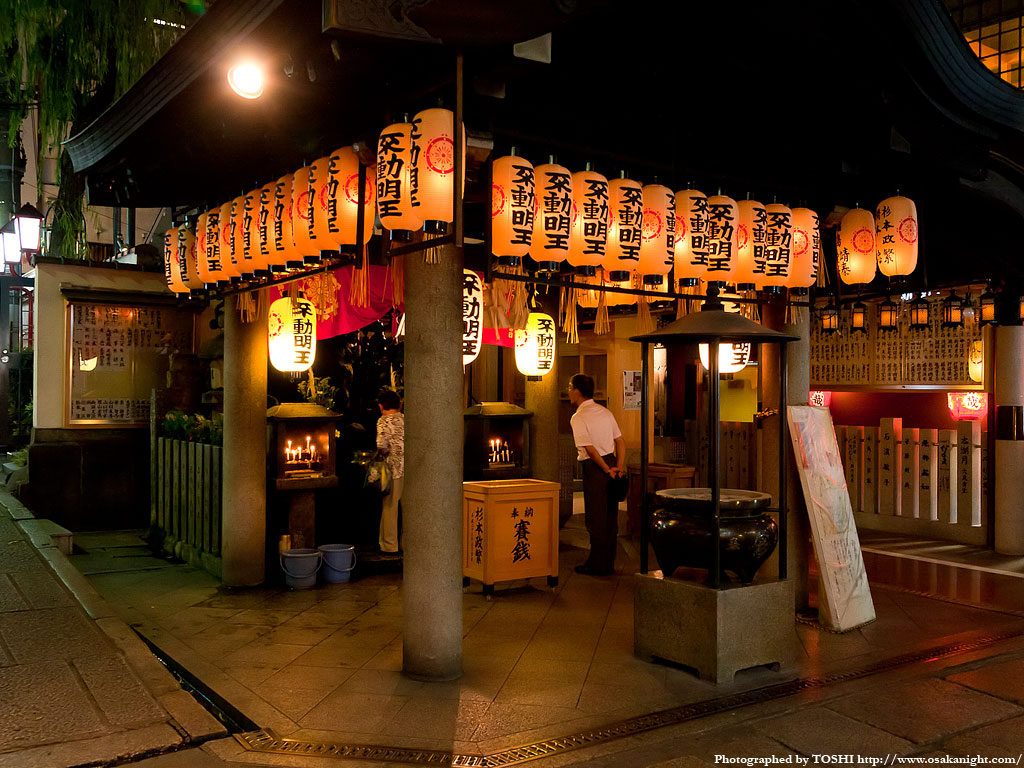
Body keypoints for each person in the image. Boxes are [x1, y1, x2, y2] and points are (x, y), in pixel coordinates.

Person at [568, 373, 625, 576]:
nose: (568, 391)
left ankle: (597, 565)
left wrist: (605, 469)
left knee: (596, 517)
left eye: (570, 387)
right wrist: (617, 467)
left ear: (577, 391)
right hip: (610, 463)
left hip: (596, 468)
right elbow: (620, 442)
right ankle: (608, 562)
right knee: (610, 516)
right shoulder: (605, 412)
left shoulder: (578, 417)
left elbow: (590, 450)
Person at [376, 389, 404, 554]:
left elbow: (382, 445)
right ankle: (408, 544)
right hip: (411, 468)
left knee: (390, 507)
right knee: (409, 509)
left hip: (393, 469)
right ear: (399, 404)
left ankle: (390, 545)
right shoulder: (407, 419)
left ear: (381, 406)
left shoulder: (383, 421)